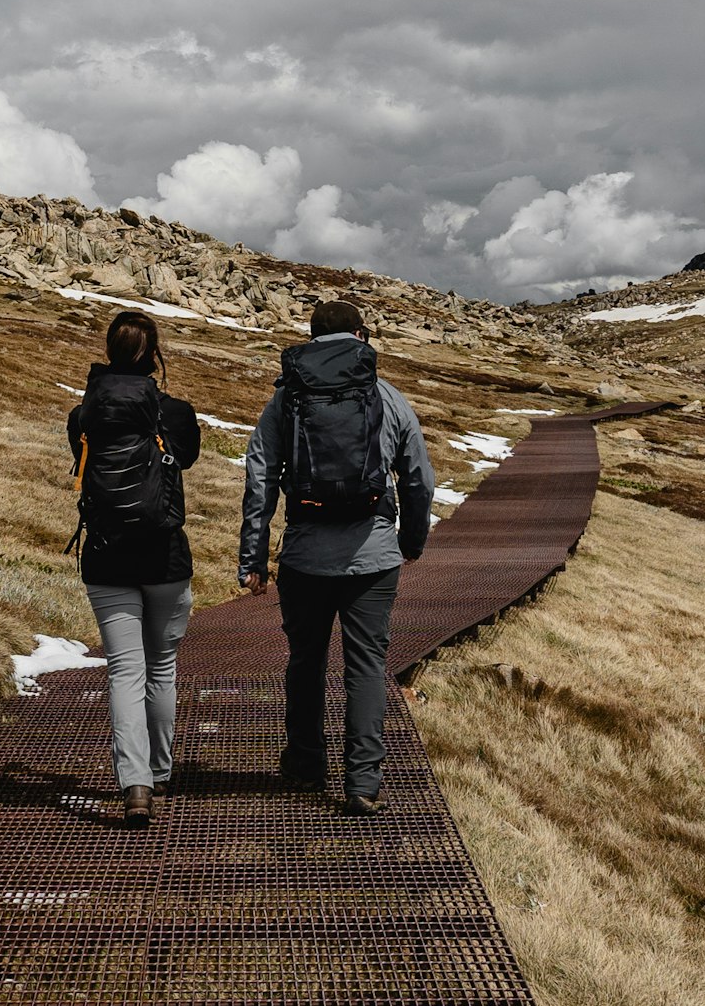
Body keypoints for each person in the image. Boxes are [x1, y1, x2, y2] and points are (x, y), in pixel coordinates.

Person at [237, 298, 436, 816]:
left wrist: (253, 558)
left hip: (304, 558)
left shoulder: (287, 399)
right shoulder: (387, 398)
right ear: (362, 337)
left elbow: (259, 477)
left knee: (305, 661)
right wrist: (410, 542)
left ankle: (305, 766)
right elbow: (419, 479)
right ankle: (363, 783)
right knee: (366, 664)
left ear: (310, 337)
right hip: (373, 558)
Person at [66, 309, 203, 820]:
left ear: (109, 351)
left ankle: (136, 784)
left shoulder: (83, 416)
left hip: (106, 558)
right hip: (165, 557)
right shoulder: (177, 413)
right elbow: (185, 459)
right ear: (154, 354)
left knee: (125, 670)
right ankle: (161, 773)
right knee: (160, 667)